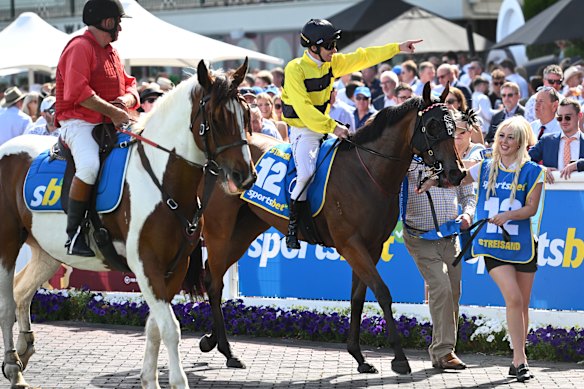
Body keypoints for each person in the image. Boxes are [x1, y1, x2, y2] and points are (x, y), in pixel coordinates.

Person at [420, 116, 544, 382]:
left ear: (521, 141)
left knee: (522, 305)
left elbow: (531, 209)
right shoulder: (486, 166)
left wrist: (509, 215)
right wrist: (434, 181)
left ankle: (518, 356)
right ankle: (520, 360)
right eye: (501, 136)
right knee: (512, 297)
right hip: (491, 243)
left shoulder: (534, 171)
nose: (505, 141)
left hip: (522, 244)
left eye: (511, 137)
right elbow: (457, 179)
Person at [281, 18, 421, 249]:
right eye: (329, 46)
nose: (334, 50)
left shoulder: (332, 63)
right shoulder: (294, 69)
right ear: (314, 47)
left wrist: (397, 47)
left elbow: (363, 56)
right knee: (305, 173)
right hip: (304, 130)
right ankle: (293, 228)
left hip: (326, 127)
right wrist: (333, 127)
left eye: (335, 45)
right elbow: (304, 109)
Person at [56, 0, 139, 257]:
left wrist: (125, 102)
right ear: (107, 22)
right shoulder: (80, 47)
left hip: (109, 121)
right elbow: (78, 92)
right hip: (78, 122)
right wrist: (115, 112)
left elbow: (131, 85)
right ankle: (75, 234)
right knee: (90, 166)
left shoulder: (111, 52)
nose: (121, 29)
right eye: (119, 22)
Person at [402, 145, 476, 371]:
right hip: (420, 237)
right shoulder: (410, 162)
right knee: (441, 286)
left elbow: (469, 194)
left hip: (450, 237)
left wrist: (468, 213)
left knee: (453, 291)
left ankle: (442, 350)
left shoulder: (454, 162)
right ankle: (444, 351)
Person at [529, 98, 584, 182]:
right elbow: (525, 159)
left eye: (568, 117)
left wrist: (578, 165)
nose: (563, 121)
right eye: (559, 118)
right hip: (552, 192)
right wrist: (541, 169)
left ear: (580, 116)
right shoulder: (547, 140)